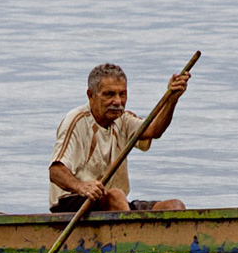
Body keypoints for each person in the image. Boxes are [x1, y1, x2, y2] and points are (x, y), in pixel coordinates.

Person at [48, 61, 191, 213]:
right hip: (74, 203)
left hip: (115, 203)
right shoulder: (76, 121)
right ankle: (131, 233)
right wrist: (82, 187)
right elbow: (56, 171)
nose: (117, 101)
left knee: (174, 206)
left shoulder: (123, 119)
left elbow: (154, 130)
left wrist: (172, 99)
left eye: (122, 94)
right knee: (116, 196)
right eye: (109, 94)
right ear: (91, 95)